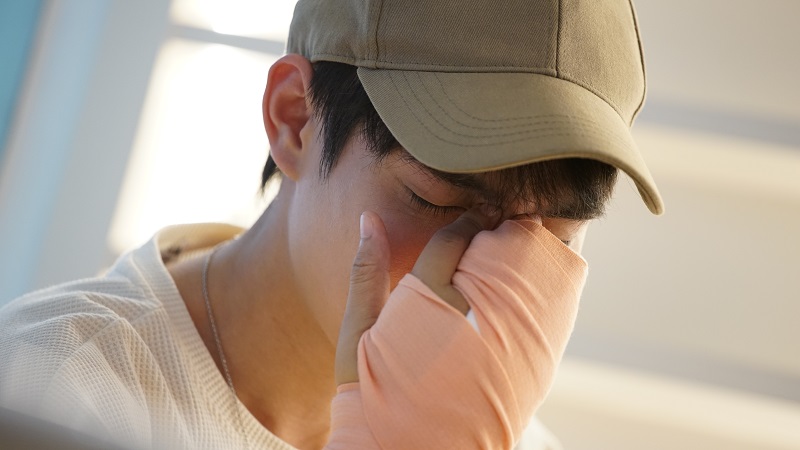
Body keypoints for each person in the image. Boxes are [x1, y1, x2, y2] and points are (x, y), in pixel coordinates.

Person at [0, 0, 663, 448]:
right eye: (438, 203)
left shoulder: (490, 436)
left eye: (553, 238)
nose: (483, 280)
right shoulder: (52, 390)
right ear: (294, 118)